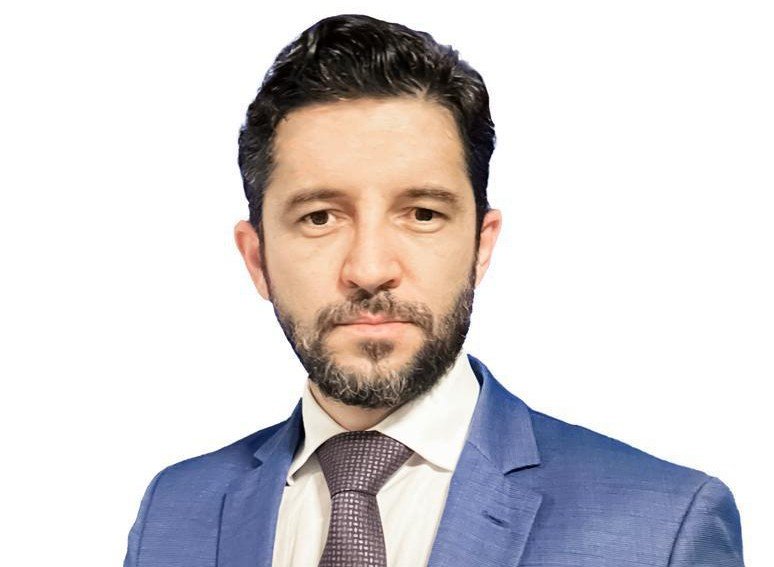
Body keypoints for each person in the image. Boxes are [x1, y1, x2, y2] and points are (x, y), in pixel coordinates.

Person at [123, 13, 744, 567]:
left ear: (480, 246)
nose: (369, 268)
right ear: (257, 259)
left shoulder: (663, 525)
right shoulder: (174, 510)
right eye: (320, 217)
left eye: (422, 214)